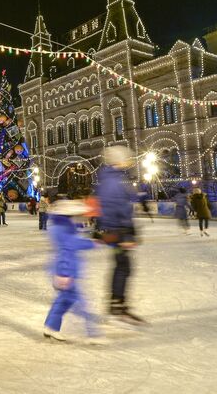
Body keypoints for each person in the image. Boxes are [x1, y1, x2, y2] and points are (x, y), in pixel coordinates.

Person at [96, 145, 147, 326]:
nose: (130, 161)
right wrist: (124, 234)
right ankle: (117, 307)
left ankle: (117, 304)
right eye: (127, 158)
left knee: (122, 267)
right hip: (117, 231)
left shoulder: (114, 178)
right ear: (119, 160)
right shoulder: (113, 182)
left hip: (116, 230)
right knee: (123, 267)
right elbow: (113, 208)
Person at [43, 200, 104, 344]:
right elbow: (74, 244)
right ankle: (94, 335)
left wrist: (83, 226)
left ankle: (50, 326)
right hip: (66, 271)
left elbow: (73, 232)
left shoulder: (60, 226)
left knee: (64, 301)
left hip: (62, 269)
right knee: (82, 304)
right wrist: (95, 243)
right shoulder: (64, 230)